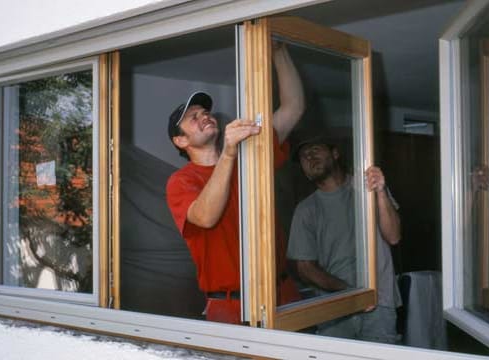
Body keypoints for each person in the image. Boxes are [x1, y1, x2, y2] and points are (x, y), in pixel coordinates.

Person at [166, 44, 304, 324]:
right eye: (193, 117)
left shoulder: (248, 158)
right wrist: (229, 152)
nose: (204, 115)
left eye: (205, 112)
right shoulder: (181, 181)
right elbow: (205, 217)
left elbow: (293, 108)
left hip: (283, 293)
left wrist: (277, 51)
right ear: (181, 141)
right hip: (232, 307)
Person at [287, 135, 402, 343]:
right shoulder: (306, 210)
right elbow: (305, 267)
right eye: (304, 156)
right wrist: (350, 293)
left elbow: (393, 237)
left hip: (379, 302)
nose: (310, 157)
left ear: (335, 153)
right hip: (334, 310)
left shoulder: (368, 188)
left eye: (314, 149)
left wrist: (381, 192)